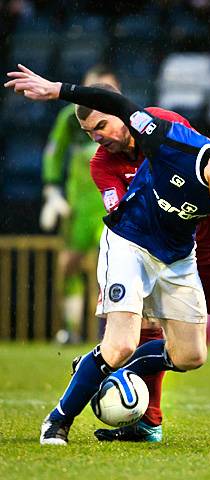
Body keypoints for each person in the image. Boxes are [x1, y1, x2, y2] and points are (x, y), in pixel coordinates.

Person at [5, 65, 210, 443]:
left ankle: (100, 365)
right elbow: (115, 101)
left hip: (178, 253)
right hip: (131, 241)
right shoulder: (167, 140)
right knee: (120, 343)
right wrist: (57, 90)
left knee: (190, 356)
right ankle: (58, 421)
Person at [40, 64, 120, 343]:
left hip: (110, 209)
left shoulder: (123, 122)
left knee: (112, 269)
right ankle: (70, 329)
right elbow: (54, 151)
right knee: (70, 266)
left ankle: (109, 332)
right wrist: (52, 191)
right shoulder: (69, 118)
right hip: (77, 208)